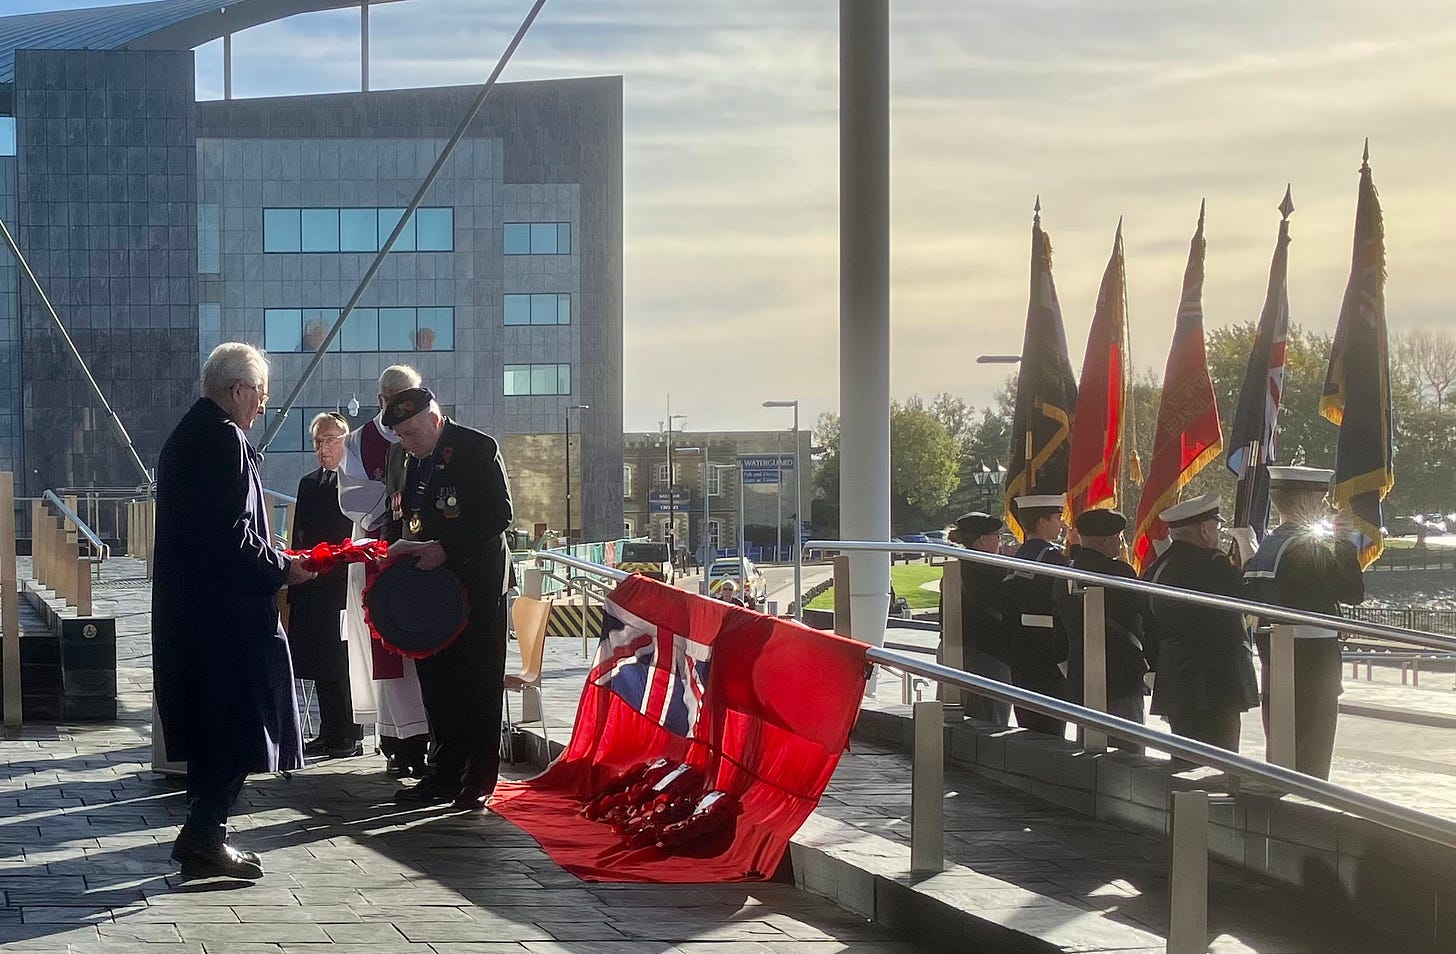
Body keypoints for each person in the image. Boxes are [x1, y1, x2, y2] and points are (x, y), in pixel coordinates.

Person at [153, 343, 315, 880]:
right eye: (261, 394)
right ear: (237, 391)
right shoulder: (223, 440)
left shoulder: (190, 435)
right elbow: (231, 535)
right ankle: (204, 836)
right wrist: (282, 569)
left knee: (214, 726)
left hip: (196, 613)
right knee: (239, 722)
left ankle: (205, 835)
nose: (263, 406)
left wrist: (273, 558)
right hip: (226, 621)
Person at [382, 388, 514, 810]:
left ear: (435, 420)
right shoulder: (404, 459)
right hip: (428, 591)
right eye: (400, 435)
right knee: (436, 683)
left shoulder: (477, 448)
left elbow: (498, 515)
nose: (407, 443)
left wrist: (447, 548)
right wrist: (392, 547)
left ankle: (477, 777)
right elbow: (401, 515)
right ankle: (442, 771)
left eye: (412, 432)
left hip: (474, 583)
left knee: (475, 681)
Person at [336, 366, 431, 777]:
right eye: (394, 400)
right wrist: (400, 506)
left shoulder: (431, 433)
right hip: (378, 553)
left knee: (424, 647)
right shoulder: (359, 442)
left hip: (423, 562)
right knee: (385, 651)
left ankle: (428, 738)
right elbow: (354, 496)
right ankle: (396, 742)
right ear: (381, 401)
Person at [1242, 466, 1365, 779]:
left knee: (1282, 740)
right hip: (1313, 656)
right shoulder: (1306, 545)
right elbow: (1351, 591)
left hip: (1276, 651)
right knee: (1312, 749)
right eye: (1320, 498)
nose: (1324, 505)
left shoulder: (1269, 545)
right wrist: (1344, 543)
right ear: (1305, 502)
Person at [1141, 494, 1259, 758]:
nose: (1217, 533)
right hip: (1216, 682)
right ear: (1204, 530)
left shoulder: (1159, 567)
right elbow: (1252, 599)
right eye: (1215, 527)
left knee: (1183, 763)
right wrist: (1250, 555)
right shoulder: (1213, 565)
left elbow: (1147, 621)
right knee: (1220, 764)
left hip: (1175, 678)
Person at [288, 412, 361, 759]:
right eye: (318, 441)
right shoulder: (308, 483)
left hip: (343, 585)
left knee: (343, 662)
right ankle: (328, 730)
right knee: (319, 660)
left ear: (345, 439)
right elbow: (300, 533)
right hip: (314, 586)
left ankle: (349, 734)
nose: (323, 448)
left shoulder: (356, 482)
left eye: (330, 439)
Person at [1053, 508, 1149, 751]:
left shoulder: (1065, 572)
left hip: (1081, 673)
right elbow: (1140, 617)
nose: (1120, 542)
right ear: (1105, 539)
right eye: (1118, 537)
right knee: (1128, 750)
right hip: (1121, 675)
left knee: (1088, 745)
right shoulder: (1120, 573)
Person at [1002, 494, 1071, 737]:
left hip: (1019, 647)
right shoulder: (1054, 559)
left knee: (1028, 725)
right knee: (1051, 726)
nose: (1061, 524)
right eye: (1057, 518)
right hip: (1048, 648)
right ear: (1042, 522)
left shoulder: (1017, 556)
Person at [941, 512, 1013, 726]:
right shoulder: (993, 571)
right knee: (990, 721)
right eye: (996, 536)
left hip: (954, 650)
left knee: (955, 720)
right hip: (988, 656)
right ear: (983, 539)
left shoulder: (956, 568)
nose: (999, 541)